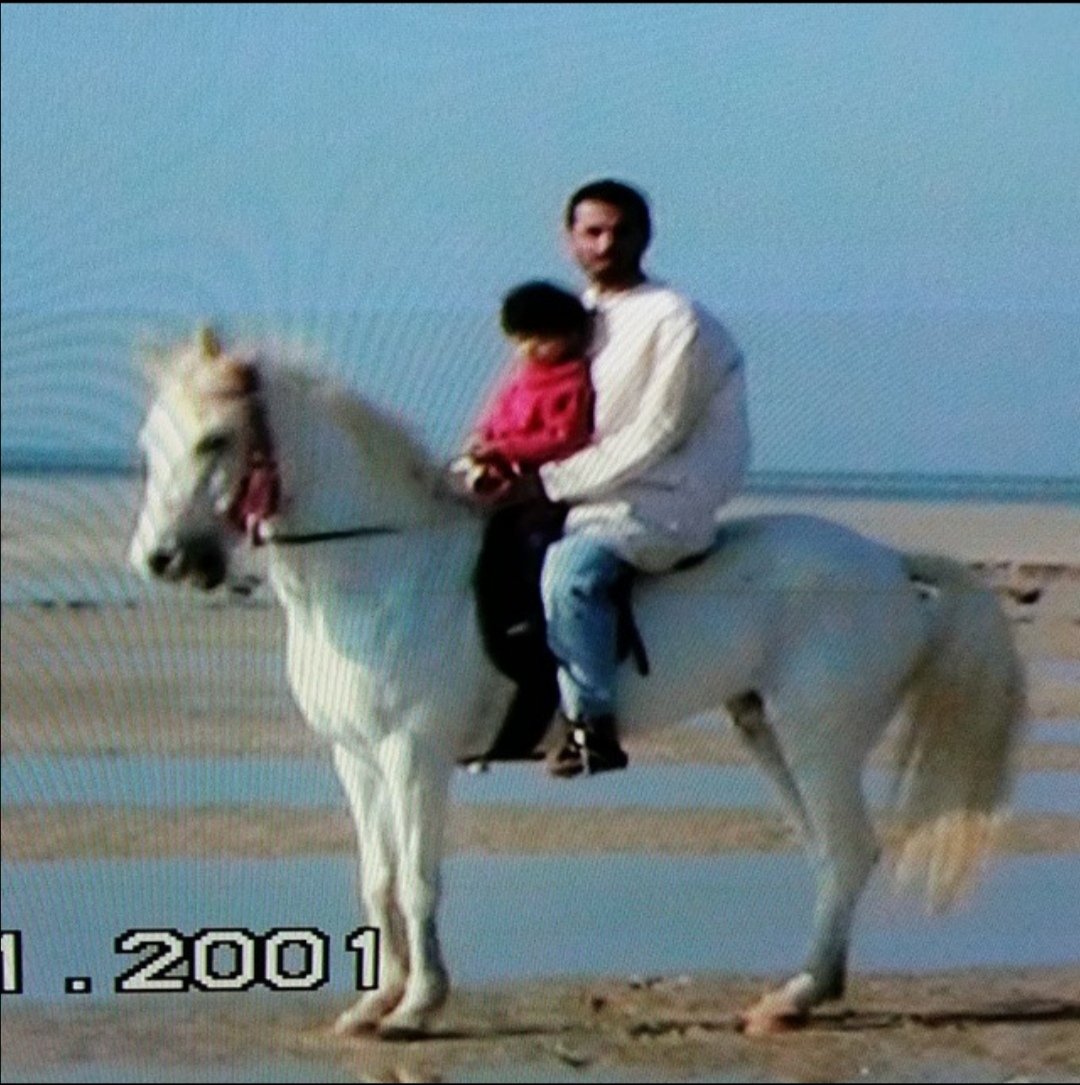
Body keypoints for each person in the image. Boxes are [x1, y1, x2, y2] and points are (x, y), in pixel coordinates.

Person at [483, 179, 752, 778]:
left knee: (570, 576)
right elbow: (522, 408)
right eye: (593, 232)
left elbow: (656, 431)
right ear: (569, 239)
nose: (606, 244)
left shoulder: (674, 319)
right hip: (583, 494)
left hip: (658, 500)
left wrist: (547, 483)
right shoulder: (573, 317)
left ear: (645, 236)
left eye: (620, 231)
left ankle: (592, 728)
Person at [456, 281, 595, 496]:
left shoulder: (570, 384)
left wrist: (505, 449)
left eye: (542, 339)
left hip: (531, 477)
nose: (530, 348)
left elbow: (562, 439)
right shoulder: (524, 378)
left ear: (571, 336)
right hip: (495, 460)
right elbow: (499, 413)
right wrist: (482, 436)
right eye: (522, 340)